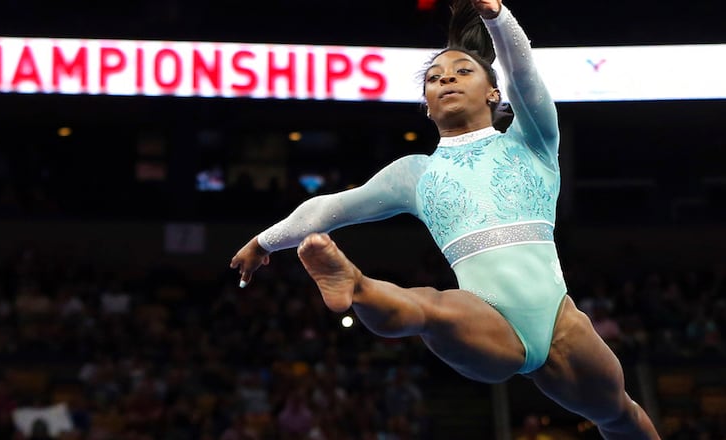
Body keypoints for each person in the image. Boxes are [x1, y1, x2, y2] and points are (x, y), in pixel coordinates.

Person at [229, 0, 661, 438]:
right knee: (430, 308)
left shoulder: (531, 140)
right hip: (482, 317)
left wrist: (496, 15)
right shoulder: (416, 174)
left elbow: (524, 73)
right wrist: (266, 241)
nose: (446, 78)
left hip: (561, 323)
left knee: (620, 417)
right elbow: (330, 207)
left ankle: (361, 288)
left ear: (495, 92)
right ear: (428, 106)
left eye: (462, 72)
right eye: (434, 79)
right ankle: (355, 284)